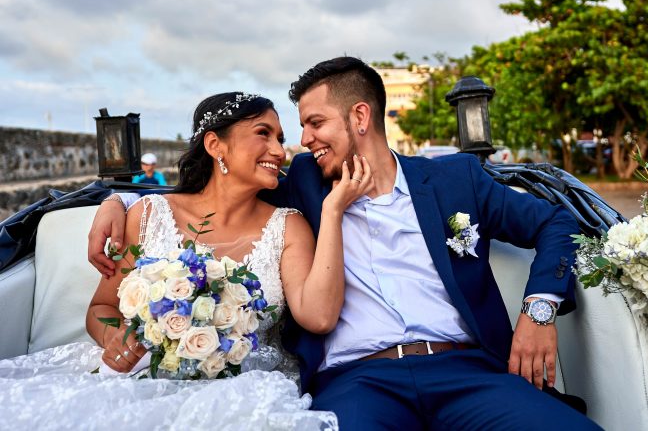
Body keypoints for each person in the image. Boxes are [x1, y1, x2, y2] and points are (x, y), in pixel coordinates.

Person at [87, 58, 600, 429]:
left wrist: (538, 312)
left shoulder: (455, 180)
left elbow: (558, 222)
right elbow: (220, 188)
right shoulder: (303, 186)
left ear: (359, 117)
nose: (301, 142)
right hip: (358, 383)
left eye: (314, 123)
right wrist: (117, 200)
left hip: (468, 370)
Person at [0, 91, 374, 430]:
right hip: (144, 377)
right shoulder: (148, 214)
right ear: (215, 145)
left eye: (279, 138)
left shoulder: (288, 226)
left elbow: (320, 316)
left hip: (247, 391)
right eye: (264, 133)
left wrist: (333, 210)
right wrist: (114, 337)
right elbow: (101, 306)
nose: (279, 150)